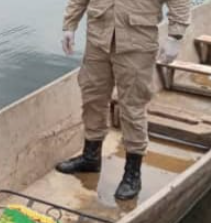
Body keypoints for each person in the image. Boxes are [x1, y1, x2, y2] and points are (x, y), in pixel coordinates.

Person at [57, 0, 190, 200]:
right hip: (98, 40)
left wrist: (176, 35)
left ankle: (132, 173)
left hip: (137, 42)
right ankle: (90, 158)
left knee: (132, 107)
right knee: (92, 97)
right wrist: (70, 24)